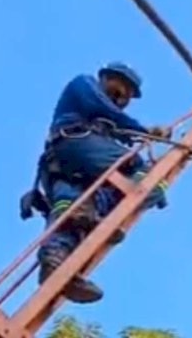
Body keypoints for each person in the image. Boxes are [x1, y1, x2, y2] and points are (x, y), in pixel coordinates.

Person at [25, 63, 171, 303]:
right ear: (104, 77)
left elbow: (122, 131)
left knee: (71, 212)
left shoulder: (107, 122)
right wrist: (144, 130)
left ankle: (55, 264)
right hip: (73, 145)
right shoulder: (84, 85)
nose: (123, 94)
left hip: (67, 173)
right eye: (120, 85)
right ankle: (128, 199)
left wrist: (144, 134)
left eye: (128, 94)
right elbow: (106, 111)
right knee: (135, 164)